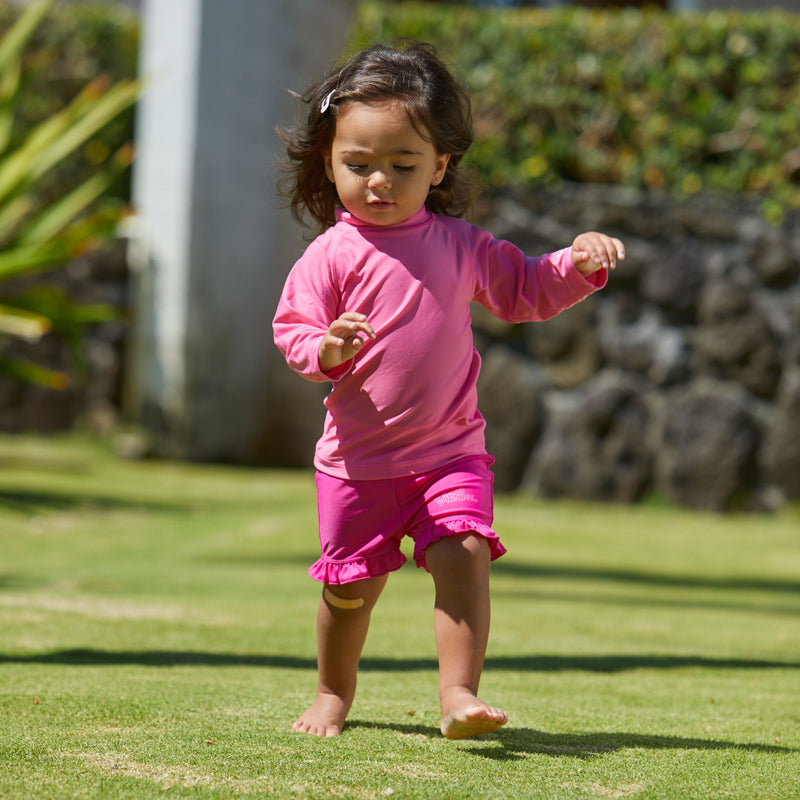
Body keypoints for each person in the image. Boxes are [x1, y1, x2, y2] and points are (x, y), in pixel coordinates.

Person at [272, 42, 624, 740]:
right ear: (327, 161)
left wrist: (575, 263)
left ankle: (459, 695)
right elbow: (294, 333)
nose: (380, 181)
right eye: (358, 164)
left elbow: (525, 288)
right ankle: (331, 695)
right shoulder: (329, 256)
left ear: (439, 167)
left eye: (402, 166)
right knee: (347, 593)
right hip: (357, 466)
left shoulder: (461, 245)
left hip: (450, 454)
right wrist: (328, 348)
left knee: (463, 553)